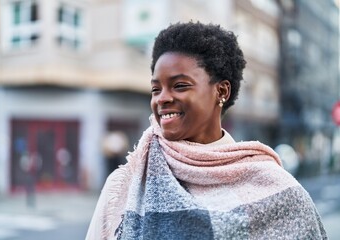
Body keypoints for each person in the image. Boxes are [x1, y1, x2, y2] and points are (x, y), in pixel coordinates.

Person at [86, 22, 326, 239]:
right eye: (156, 89)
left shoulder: (278, 191)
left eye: (180, 86)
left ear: (221, 91)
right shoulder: (126, 185)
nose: (162, 99)